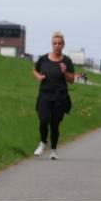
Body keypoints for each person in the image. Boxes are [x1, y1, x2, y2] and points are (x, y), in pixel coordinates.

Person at [32, 32, 75, 160]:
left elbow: (71, 80)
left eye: (59, 43)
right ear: (52, 44)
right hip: (45, 94)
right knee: (44, 119)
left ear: (63, 45)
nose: (57, 46)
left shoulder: (67, 61)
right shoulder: (43, 59)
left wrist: (65, 72)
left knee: (55, 124)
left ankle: (54, 150)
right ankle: (43, 141)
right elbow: (34, 70)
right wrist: (38, 77)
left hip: (60, 96)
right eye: (55, 43)